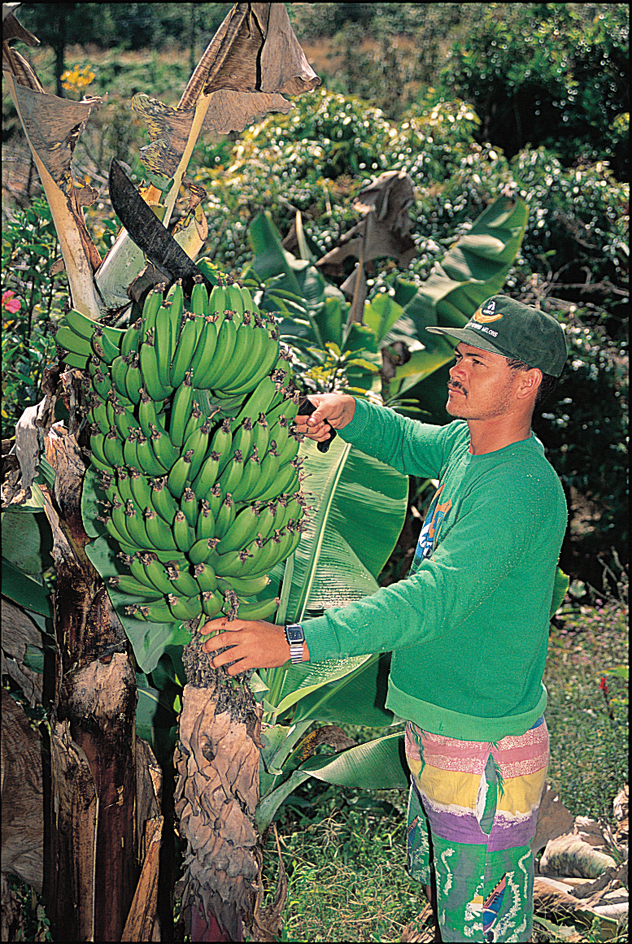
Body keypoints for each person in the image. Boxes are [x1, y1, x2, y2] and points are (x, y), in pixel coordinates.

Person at [201, 294, 568, 943]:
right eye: (457, 355)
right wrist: (352, 414)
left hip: (482, 751)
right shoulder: (468, 444)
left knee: (484, 931)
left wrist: (292, 641)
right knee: (446, 904)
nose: (456, 370)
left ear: (526, 379)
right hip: (433, 727)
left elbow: (431, 601)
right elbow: (410, 441)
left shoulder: (519, 488)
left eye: (475, 360)